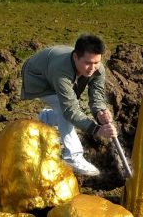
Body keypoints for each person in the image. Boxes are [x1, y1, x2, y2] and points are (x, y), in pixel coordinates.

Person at [20, 34, 117, 176]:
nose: (92, 67)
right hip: (38, 77)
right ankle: (73, 156)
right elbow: (70, 110)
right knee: (63, 107)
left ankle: (47, 118)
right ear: (76, 57)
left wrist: (100, 112)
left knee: (67, 108)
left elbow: (97, 95)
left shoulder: (97, 68)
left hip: (55, 72)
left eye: (96, 62)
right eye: (88, 63)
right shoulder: (61, 71)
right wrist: (97, 130)